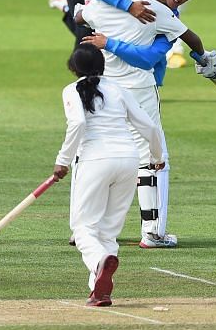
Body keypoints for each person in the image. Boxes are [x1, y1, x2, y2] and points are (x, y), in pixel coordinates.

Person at [75, 0, 216, 248]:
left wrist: (91, 16)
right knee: (154, 158)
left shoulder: (100, 3)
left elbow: (79, 16)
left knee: (95, 153)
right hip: (139, 90)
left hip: (105, 89)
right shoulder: (159, 11)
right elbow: (188, 39)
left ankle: (83, 230)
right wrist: (204, 58)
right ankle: (153, 232)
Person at [53, 44, 164, 306]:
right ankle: (99, 290)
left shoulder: (71, 90)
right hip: (129, 160)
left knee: (83, 229)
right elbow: (149, 126)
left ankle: (98, 263)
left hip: (95, 161)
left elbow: (78, 123)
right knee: (108, 231)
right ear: (103, 66)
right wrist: (157, 157)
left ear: (73, 68)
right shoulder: (118, 89)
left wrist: (62, 161)